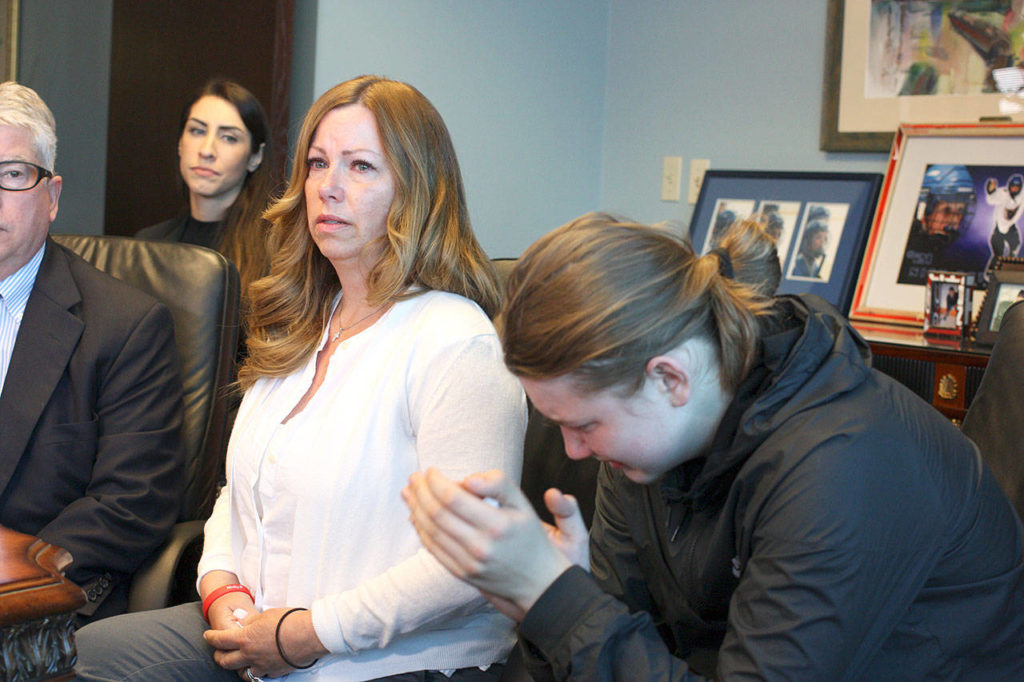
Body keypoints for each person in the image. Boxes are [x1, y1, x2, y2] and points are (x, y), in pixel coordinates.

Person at [404, 212, 1024, 680]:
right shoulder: (645, 452)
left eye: (584, 424)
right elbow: (622, 641)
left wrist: (555, 598)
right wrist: (542, 600)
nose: (572, 452)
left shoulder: (841, 467)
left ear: (670, 377)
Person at [75, 74, 526, 681]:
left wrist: (302, 634)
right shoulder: (304, 323)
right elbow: (239, 495)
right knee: (70, 659)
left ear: (417, 191)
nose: (329, 188)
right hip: (253, 630)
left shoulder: (455, 342)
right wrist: (220, 590)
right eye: (317, 163)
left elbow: (468, 565)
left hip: (385, 659)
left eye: (361, 166)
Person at [0, 82, 184, 623]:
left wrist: (15, 574)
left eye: (11, 175)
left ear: (52, 197)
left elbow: (131, 504)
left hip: (37, 599)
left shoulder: (126, 326)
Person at [136, 79, 273, 306]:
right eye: (197, 131)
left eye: (229, 137)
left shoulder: (276, 253)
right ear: (180, 143)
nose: (207, 150)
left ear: (255, 157)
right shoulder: (147, 244)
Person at [983, 172, 1024, 274]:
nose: (1014, 189)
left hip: (1010, 226)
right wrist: (991, 190)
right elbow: (991, 200)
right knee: (998, 253)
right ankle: (990, 273)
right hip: (999, 227)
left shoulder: (1022, 195)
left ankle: (1009, 269)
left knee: (1015, 247)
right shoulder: (1003, 193)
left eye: (1017, 187)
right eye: (1012, 187)